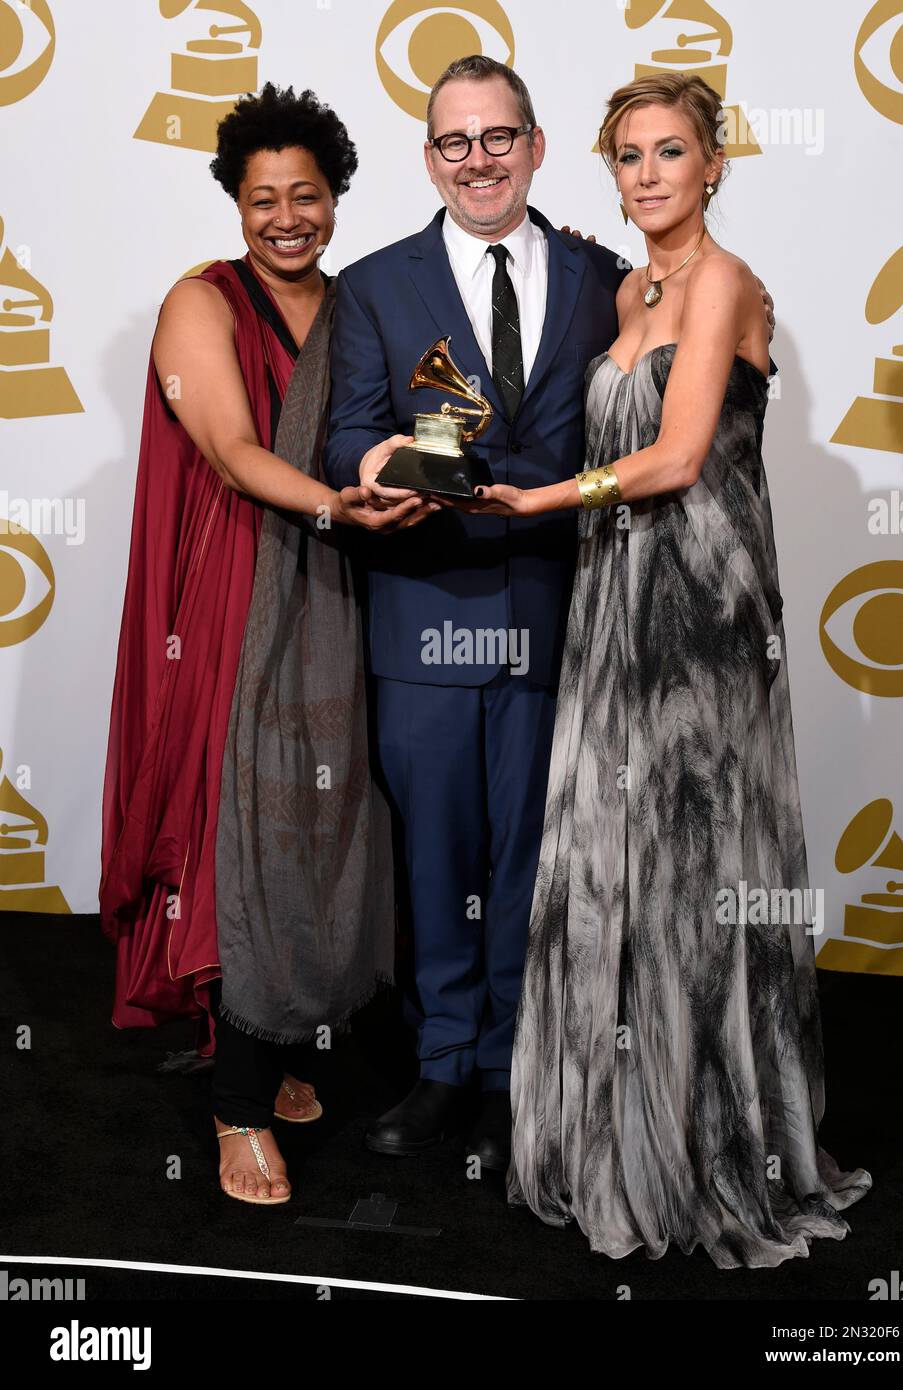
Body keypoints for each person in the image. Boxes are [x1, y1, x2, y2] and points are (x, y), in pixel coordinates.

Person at [325, 55, 777, 1172]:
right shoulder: (374, 286)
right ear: (429, 158)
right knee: (437, 860)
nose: (475, 159)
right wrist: (384, 461)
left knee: (541, 864)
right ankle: (441, 1064)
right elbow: (344, 435)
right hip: (424, 613)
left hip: (563, 617)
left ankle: (521, 1076)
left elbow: (649, 436)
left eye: (497, 137)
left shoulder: (605, 280)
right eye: (452, 142)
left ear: (532, 146)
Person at [453, 72, 872, 1266]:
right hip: (614, 598)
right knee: (611, 856)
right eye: (626, 155)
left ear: (711, 166)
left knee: (692, 859)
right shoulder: (629, 288)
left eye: (668, 152)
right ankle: (614, 1138)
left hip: (701, 605)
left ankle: (703, 1148)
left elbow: (681, 453)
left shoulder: (724, 282)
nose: (646, 174)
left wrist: (545, 494)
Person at [100, 84, 430, 1206]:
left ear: (335, 197)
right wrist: (341, 508)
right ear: (233, 204)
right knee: (234, 832)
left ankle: (286, 1046)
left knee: (320, 824)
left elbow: (402, 434)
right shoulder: (200, 302)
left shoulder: (357, 304)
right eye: (261, 200)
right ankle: (239, 1102)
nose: (286, 218)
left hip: (334, 592)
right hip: (233, 598)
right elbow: (238, 450)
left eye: (306, 196)